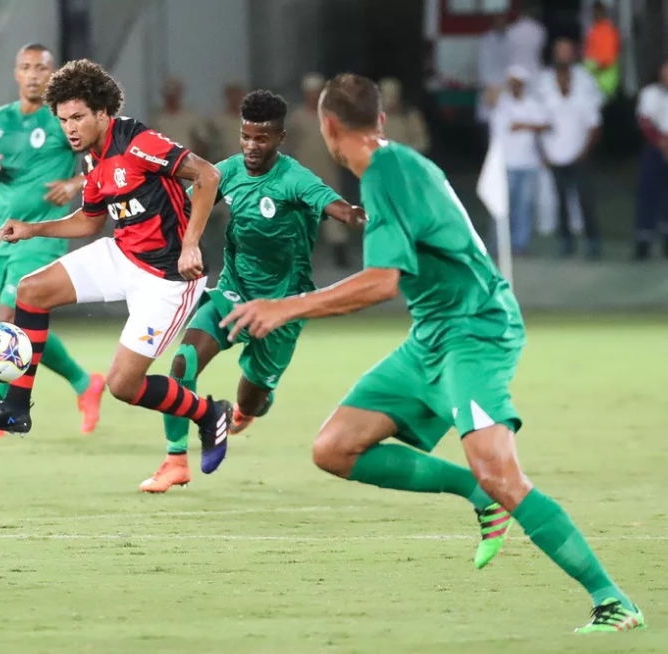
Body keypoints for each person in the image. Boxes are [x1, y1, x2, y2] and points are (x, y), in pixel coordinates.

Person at [221, 73, 644, 633]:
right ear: (379, 120)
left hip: (474, 330)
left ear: (325, 127)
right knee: (335, 448)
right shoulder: (396, 166)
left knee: (501, 471)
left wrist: (286, 306)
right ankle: (475, 494)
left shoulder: (384, 174)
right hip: (432, 335)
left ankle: (613, 601)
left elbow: (381, 283)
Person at [0, 59, 233, 472]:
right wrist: (32, 229)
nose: (69, 127)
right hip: (123, 254)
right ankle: (15, 409)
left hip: (169, 276)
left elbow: (207, 176)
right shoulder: (90, 157)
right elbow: (89, 220)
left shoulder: (138, 142)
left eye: (78, 117)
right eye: (63, 119)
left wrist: (191, 244)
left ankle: (209, 413)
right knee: (30, 291)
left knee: (124, 385)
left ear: (103, 113)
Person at [141, 90, 365, 493]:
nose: (251, 146)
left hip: (282, 308)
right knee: (182, 362)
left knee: (252, 400)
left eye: (261, 138)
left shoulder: (295, 178)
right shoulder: (225, 171)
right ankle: (175, 459)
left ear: (280, 138)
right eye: (246, 136)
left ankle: (250, 406)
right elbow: (179, 207)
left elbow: (339, 209)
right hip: (233, 291)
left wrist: (363, 216)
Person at [0, 43, 104, 438]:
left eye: (42, 68)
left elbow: (104, 163)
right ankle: (83, 382)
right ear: (16, 73)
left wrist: (77, 182)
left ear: (52, 73)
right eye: (26, 67)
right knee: (24, 322)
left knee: (6, 320)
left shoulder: (62, 120)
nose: (34, 74)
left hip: (42, 236)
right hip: (5, 237)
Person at [539, 38, 603, 259]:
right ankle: (565, 241)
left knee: (586, 201)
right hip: (554, 155)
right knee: (560, 203)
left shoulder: (584, 83)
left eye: (567, 50)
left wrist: (586, 151)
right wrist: (542, 152)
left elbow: (595, 125)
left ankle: (593, 241)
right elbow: (538, 120)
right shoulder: (544, 81)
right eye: (559, 50)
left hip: (579, 155)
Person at [286, 73, 350, 267]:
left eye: (317, 93)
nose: (313, 97)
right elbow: (288, 142)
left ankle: (340, 253)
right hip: (304, 171)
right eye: (310, 93)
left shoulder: (332, 116)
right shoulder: (297, 116)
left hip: (328, 169)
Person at [490, 65, 548, 256]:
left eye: (518, 83)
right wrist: (528, 125)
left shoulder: (532, 103)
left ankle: (519, 245)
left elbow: (544, 125)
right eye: (512, 83)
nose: (515, 86)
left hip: (528, 163)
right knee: (501, 206)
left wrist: (523, 125)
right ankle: (498, 244)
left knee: (523, 206)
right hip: (506, 163)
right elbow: (505, 128)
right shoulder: (502, 103)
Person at [633, 58, 668, 260]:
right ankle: (643, 241)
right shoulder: (650, 94)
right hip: (655, 147)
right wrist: (662, 142)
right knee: (648, 193)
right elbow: (645, 122)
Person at [378, 77, 430, 154]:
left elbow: (422, 143)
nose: (390, 101)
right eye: (386, 96)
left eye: (393, 96)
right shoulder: (371, 119)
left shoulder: (411, 117)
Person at [583, 1, 620, 101]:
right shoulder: (593, 29)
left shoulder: (608, 30)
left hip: (604, 81)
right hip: (592, 80)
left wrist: (590, 68)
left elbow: (608, 59)